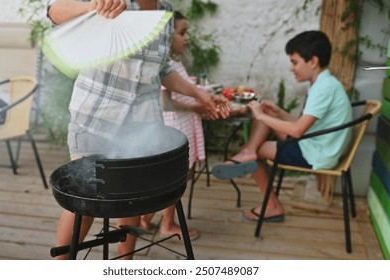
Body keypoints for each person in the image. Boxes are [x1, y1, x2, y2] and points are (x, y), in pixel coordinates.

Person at [46, 0, 231, 260]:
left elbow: (163, 68)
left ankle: (125, 263)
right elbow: (53, 10)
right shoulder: (112, 2)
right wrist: (92, 7)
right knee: (85, 203)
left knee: (133, 195)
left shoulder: (165, 10)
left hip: (142, 124)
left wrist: (201, 95)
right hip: (94, 118)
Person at [212, 30, 352, 222]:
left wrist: (260, 115)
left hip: (317, 153)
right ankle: (247, 152)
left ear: (313, 61)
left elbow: (297, 130)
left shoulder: (323, 89)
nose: (291, 68)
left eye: (295, 62)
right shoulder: (324, 83)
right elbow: (303, 124)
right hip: (317, 143)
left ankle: (272, 204)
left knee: (260, 147)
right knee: (267, 114)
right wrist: (278, 112)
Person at [140, 11, 203, 240]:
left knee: (170, 178)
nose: (187, 38)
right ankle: (167, 224)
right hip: (175, 128)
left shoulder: (174, 61)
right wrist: (195, 107)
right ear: (167, 36)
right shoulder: (167, 66)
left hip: (182, 125)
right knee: (174, 179)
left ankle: (146, 219)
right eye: (182, 33)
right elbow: (165, 102)